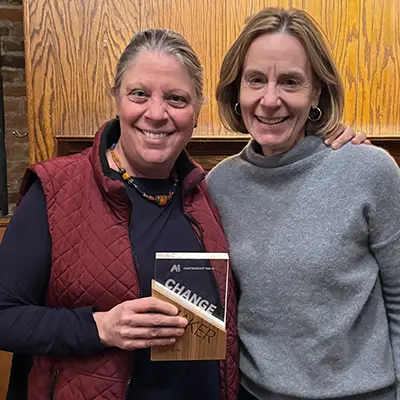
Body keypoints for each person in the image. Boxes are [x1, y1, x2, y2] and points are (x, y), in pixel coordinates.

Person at [0, 28, 365, 400]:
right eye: (139, 94)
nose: (156, 114)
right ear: (117, 98)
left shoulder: (211, 191)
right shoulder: (57, 189)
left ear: (196, 111)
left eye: (176, 98)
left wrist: (335, 149)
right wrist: (100, 327)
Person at [207, 7, 400, 400]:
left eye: (290, 82)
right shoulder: (218, 186)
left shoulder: (370, 170)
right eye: (255, 80)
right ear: (237, 90)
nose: (269, 99)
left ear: (316, 93)